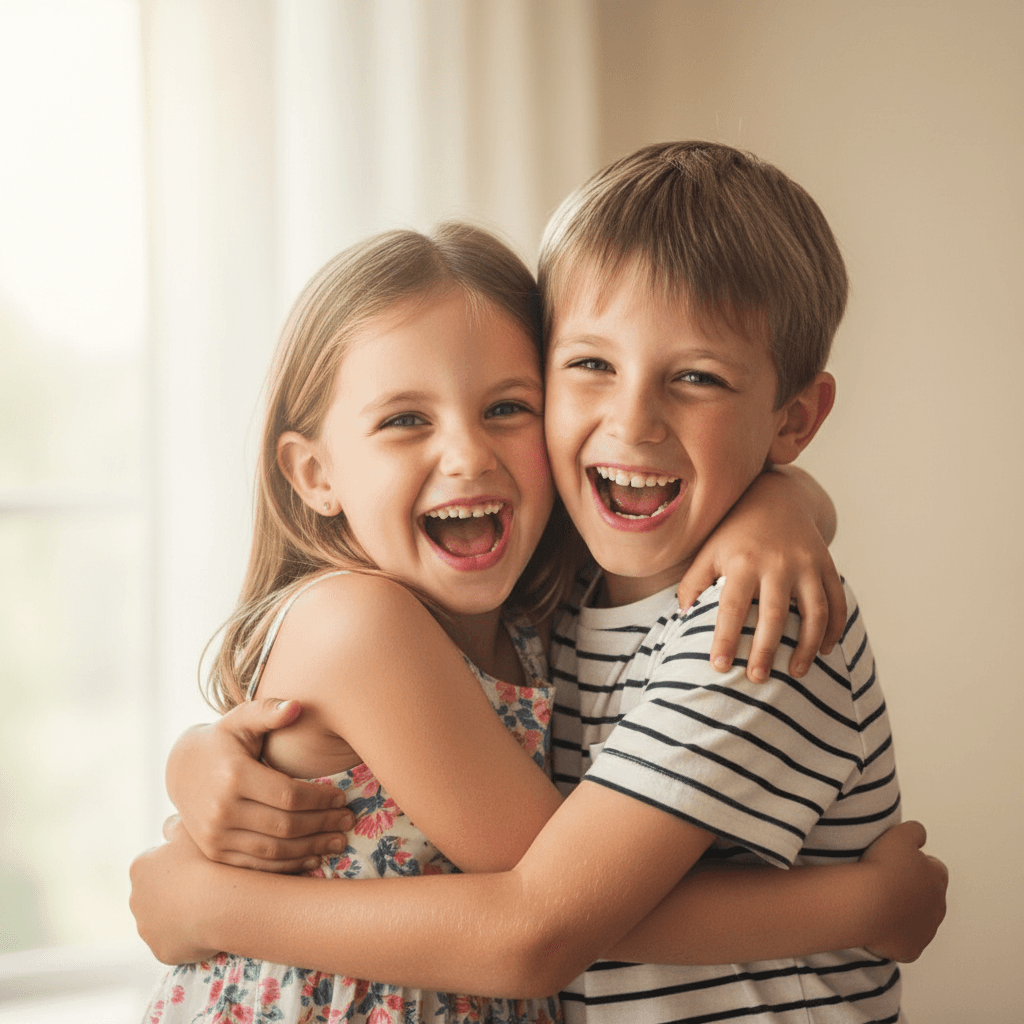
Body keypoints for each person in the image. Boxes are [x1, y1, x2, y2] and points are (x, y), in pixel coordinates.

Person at [131, 146, 948, 1021]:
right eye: (592, 365)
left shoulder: (739, 616)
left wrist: (787, 503)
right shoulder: (440, 615)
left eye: (505, 407)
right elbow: (543, 906)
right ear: (314, 472)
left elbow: (544, 919)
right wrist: (857, 907)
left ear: (794, 418)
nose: (631, 421)